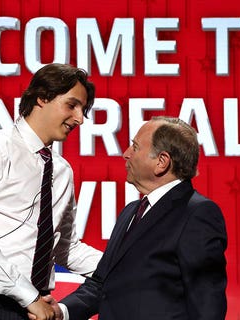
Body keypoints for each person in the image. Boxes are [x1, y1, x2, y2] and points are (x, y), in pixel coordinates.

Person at [0, 63, 103, 320]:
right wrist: (27, 295)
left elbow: (65, 248)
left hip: (38, 306)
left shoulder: (63, 171)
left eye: (82, 109)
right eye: (72, 105)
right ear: (42, 97)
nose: (80, 118)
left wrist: (125, 266)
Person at [55, 116, 228, 320]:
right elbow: (102, 283)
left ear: (161, 162)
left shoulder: (197, 214)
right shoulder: (131, 211)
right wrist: (62, 311)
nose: (126, 154)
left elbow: (207, 306)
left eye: (135, 147)